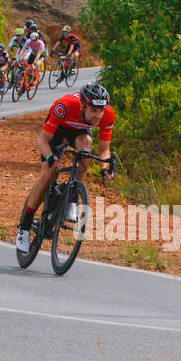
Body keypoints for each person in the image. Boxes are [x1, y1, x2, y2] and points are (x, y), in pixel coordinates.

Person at [15, 83, 116, 253]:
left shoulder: (107, 115)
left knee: (86, 149)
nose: (98, 115)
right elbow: (42, 140)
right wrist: (49, 156)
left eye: (101, 110)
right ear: (83, 106)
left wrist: (105, 168)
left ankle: (73, 196)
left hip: (80, 133)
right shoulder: (64, 106)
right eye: (94, 111)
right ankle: (24, 227)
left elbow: (104, 150)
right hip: (57, 132)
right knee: (48, 175)